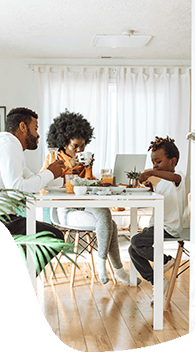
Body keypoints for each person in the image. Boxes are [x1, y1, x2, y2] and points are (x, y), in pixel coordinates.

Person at [41, 110, 136, 285]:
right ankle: (113, 269)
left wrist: (90, 169)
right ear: (63, 143)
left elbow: (86, 184)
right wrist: (70, 164)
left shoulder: (83, 159)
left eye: (83, 146)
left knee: (106, 216)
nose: (79, 150)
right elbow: (43, 185)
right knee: (110, 224)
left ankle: (109, 267)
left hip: (85, 205)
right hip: (66, 210)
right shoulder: (53, 159)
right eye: (75, 146)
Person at [0, 107, 66, 272]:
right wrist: (50, 173)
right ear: (23, 127)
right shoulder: (8, 146)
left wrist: (50, 172)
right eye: (36, 128)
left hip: (0, 216)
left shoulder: (9, 146)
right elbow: (18, 188)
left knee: (47, 232)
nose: (38, 134)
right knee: (54, 237)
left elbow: (30, 181)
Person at [128, 136, 187, 297]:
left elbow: (174, 179)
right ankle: (157, 281)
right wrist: (150, 187)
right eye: (153, 162)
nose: (155, 165)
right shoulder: (161, 182)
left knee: (136, 242)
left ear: (173, 161)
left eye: (158, 162)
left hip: (170, 227)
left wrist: (152, 172)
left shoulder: (178, 177)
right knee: (132, 249)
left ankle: (167, 260)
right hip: (156, 226)